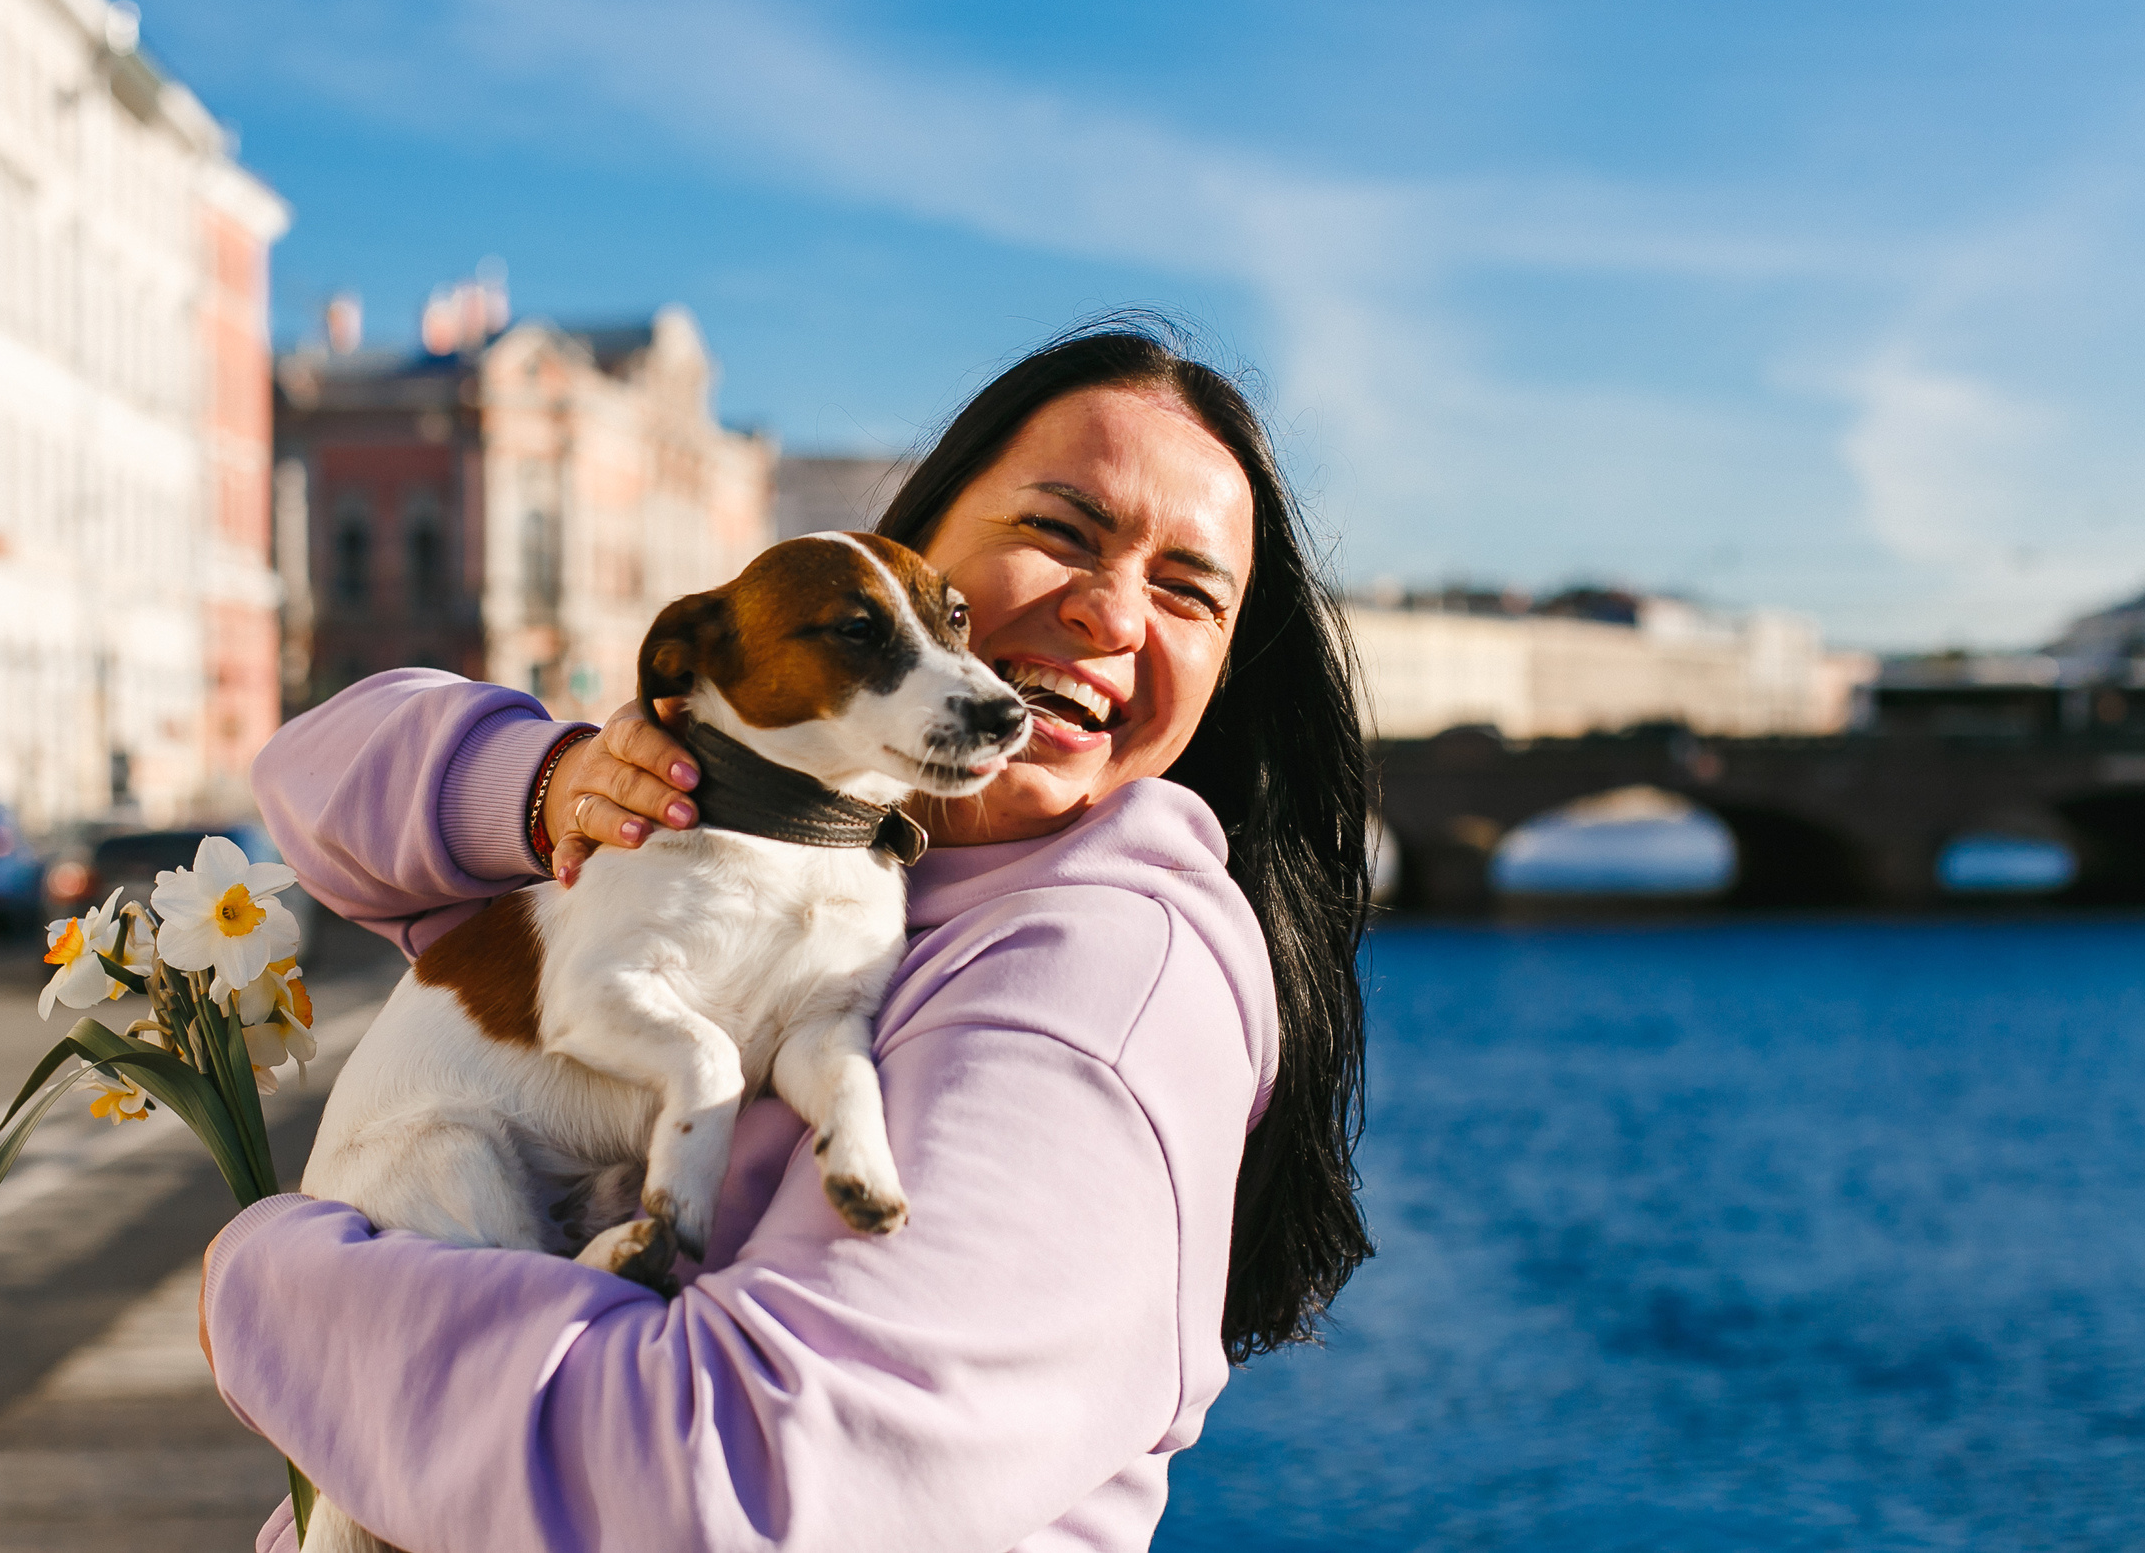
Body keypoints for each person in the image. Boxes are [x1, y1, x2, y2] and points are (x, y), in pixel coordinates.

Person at [203, 319, 1376, 1552]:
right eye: (1060, 531)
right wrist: (558, 785)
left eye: (1188, 591)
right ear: (906, 560)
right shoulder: (793, 830)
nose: (1109, 614)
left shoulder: (1096, 986)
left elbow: (737, 1486)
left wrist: (275, 1296)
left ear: (1223, 673)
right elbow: (312, 787)